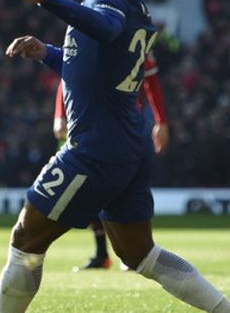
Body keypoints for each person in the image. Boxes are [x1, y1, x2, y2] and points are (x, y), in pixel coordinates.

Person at [0, 0, 230, 313]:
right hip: (128, 146)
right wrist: (47, 52)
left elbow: (106, 29)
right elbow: (98, 60)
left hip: (93, 150)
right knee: (140, 254)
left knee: (24, 240)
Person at [52, 52, 170, 271]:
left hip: (124, 126)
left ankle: (134, 250)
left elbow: (151, 79)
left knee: (123, 189)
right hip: (88, 126)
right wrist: (60, 114)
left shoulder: (135, 35)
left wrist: (161, 121)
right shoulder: (87, 33)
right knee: (90, 190)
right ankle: (104, 253)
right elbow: (67, 73)